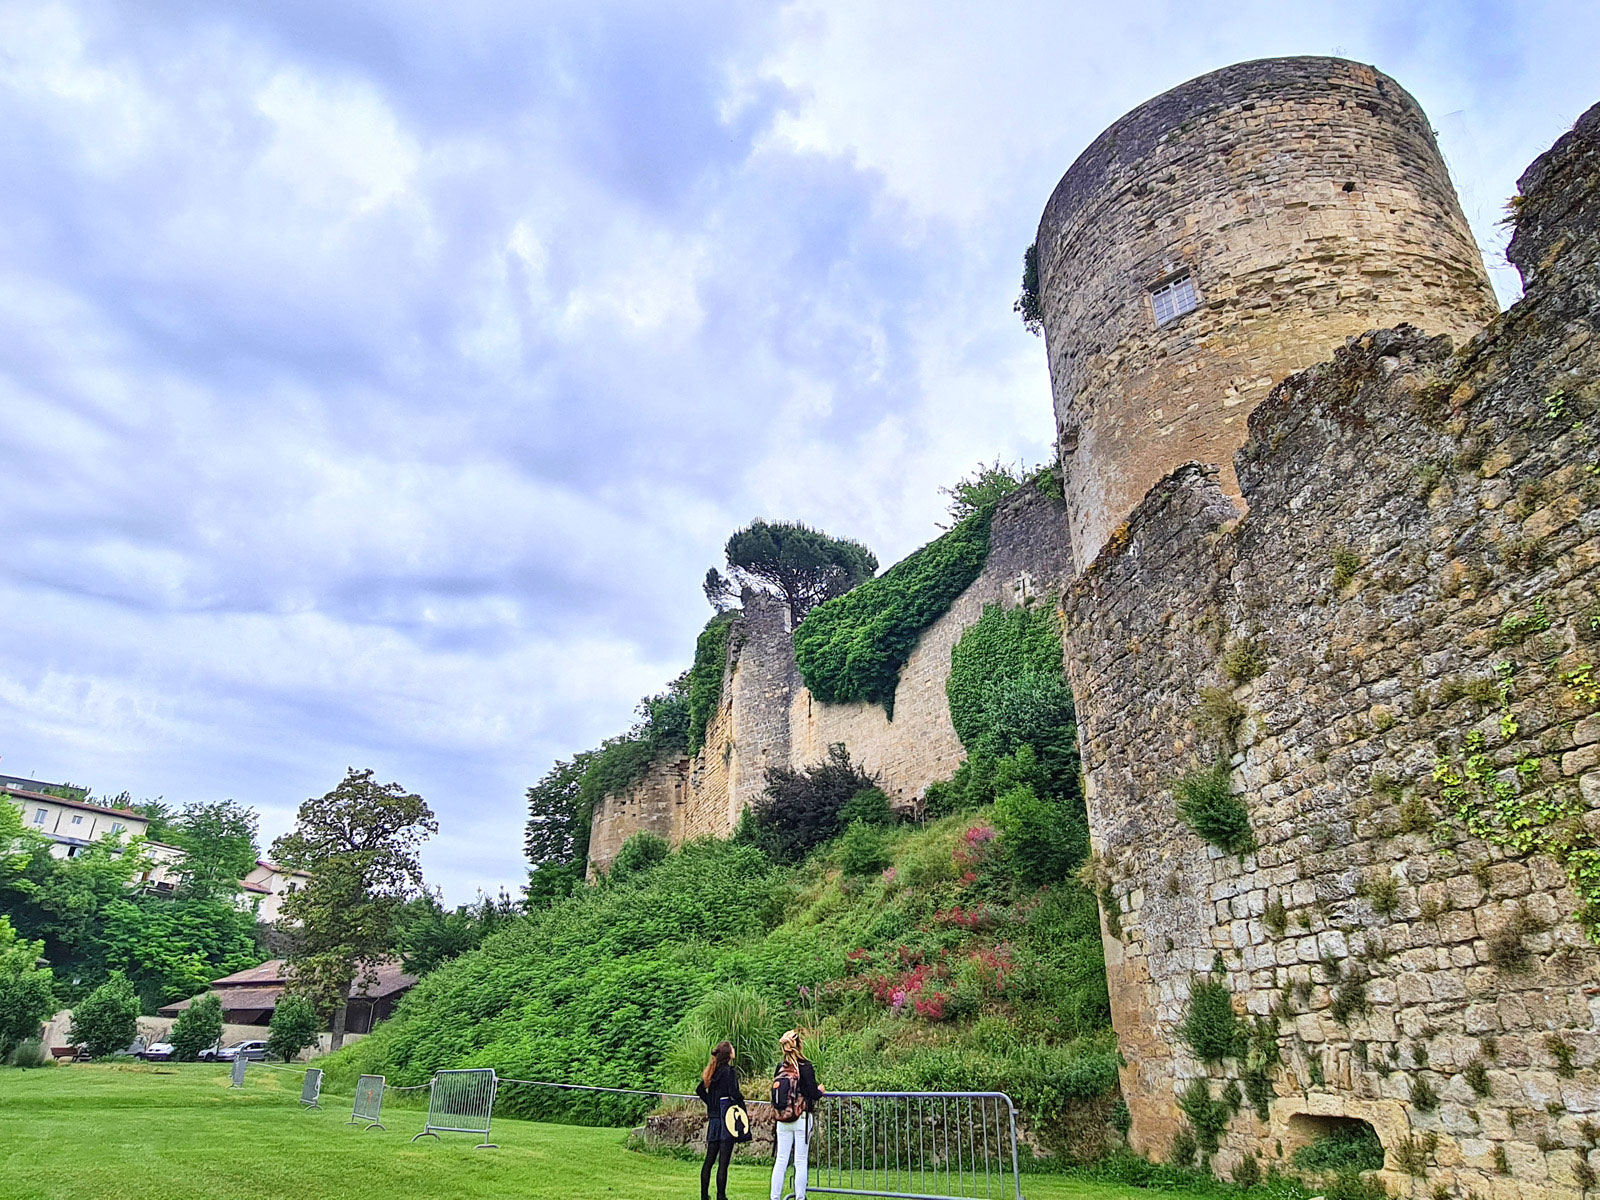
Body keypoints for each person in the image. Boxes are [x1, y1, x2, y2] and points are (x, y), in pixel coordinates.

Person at [769, 1030, 824, 1200]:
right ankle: (800, 1196)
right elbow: (813, 1093)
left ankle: (775, 1197)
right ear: (799, 1045)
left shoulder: (781, 1067)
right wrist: (820, 1091)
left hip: (782, 1119)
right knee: (800, 1160)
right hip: (801, 1118)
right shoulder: (805, 1067)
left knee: (781, 1160)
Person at [695, 1040, 745, 1200]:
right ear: (729, 1054)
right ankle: (721, 1195)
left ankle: (704, 1195)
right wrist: (740, 1104)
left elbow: (700, 1089)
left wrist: (711, 1103)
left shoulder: (713, 1071)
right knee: (723, 1162)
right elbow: (734, 1092)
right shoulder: (729, 1072)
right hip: (727, 1119)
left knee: (709, 1159)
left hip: (715, 1119)